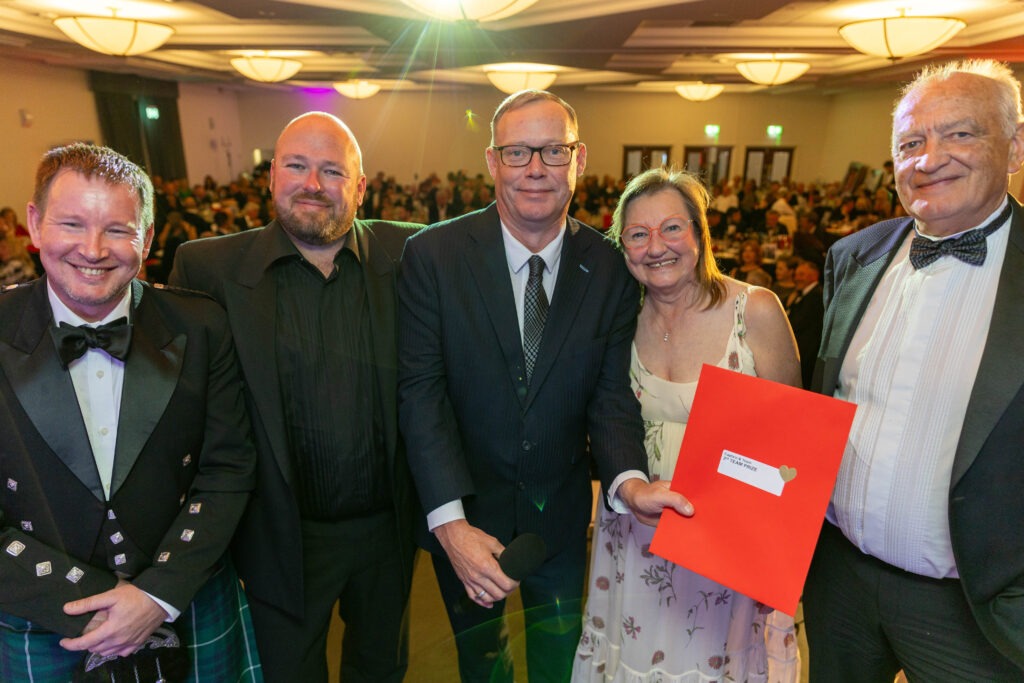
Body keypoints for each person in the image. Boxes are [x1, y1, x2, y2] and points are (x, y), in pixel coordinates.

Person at [397, 90, 692, 682]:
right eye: (518, 152)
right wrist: (449, 523)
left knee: (560, 665)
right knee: (481, 666)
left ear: (578, 158)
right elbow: (420, 395)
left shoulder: (610, 266)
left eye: (553, 151)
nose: (536, 169)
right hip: (464, 517)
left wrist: (629, 483)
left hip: (558, 523)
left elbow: (610, 396)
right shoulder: (433, 255)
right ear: (492, 161)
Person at [170, 111, 420, 683]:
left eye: (333, 170)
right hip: (277, 535)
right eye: (297, 166)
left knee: (382, 669)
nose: (313, 183)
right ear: (271, 176)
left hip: (388, 530)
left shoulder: (410, 255)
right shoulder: (207, 269)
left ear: (360, 187)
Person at [0, 143, 259, 681]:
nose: (92, 250)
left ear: (148, 235)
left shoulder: (201, 324)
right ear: (34, 222)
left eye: (118, 229)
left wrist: (156, 595)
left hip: (182, 597)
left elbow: (228, 468)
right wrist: (95, 601)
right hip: (37, 612)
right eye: (71, 223)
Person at [803, 58, 1024, 681]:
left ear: (1014, 146)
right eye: (910, 143)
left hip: (977, 608)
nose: (929, 159)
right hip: (841, 582)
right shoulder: (854, 256)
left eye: (960, 134)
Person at [571, 167, 801, 682]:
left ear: (700, 234)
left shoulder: (755, 311)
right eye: (638, 233)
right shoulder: (617, 320)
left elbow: (795, 452)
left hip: (727, 548)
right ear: (622, 246)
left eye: (672, 228)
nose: (656, 247)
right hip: (635, 533)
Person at [785, 259, 823, 390]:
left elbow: (796, 324)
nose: (797, 278)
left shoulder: (817, 297)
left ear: (814, 276)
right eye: (796, 275)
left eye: (801, 275)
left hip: (807, 358)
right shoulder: (801, 295)